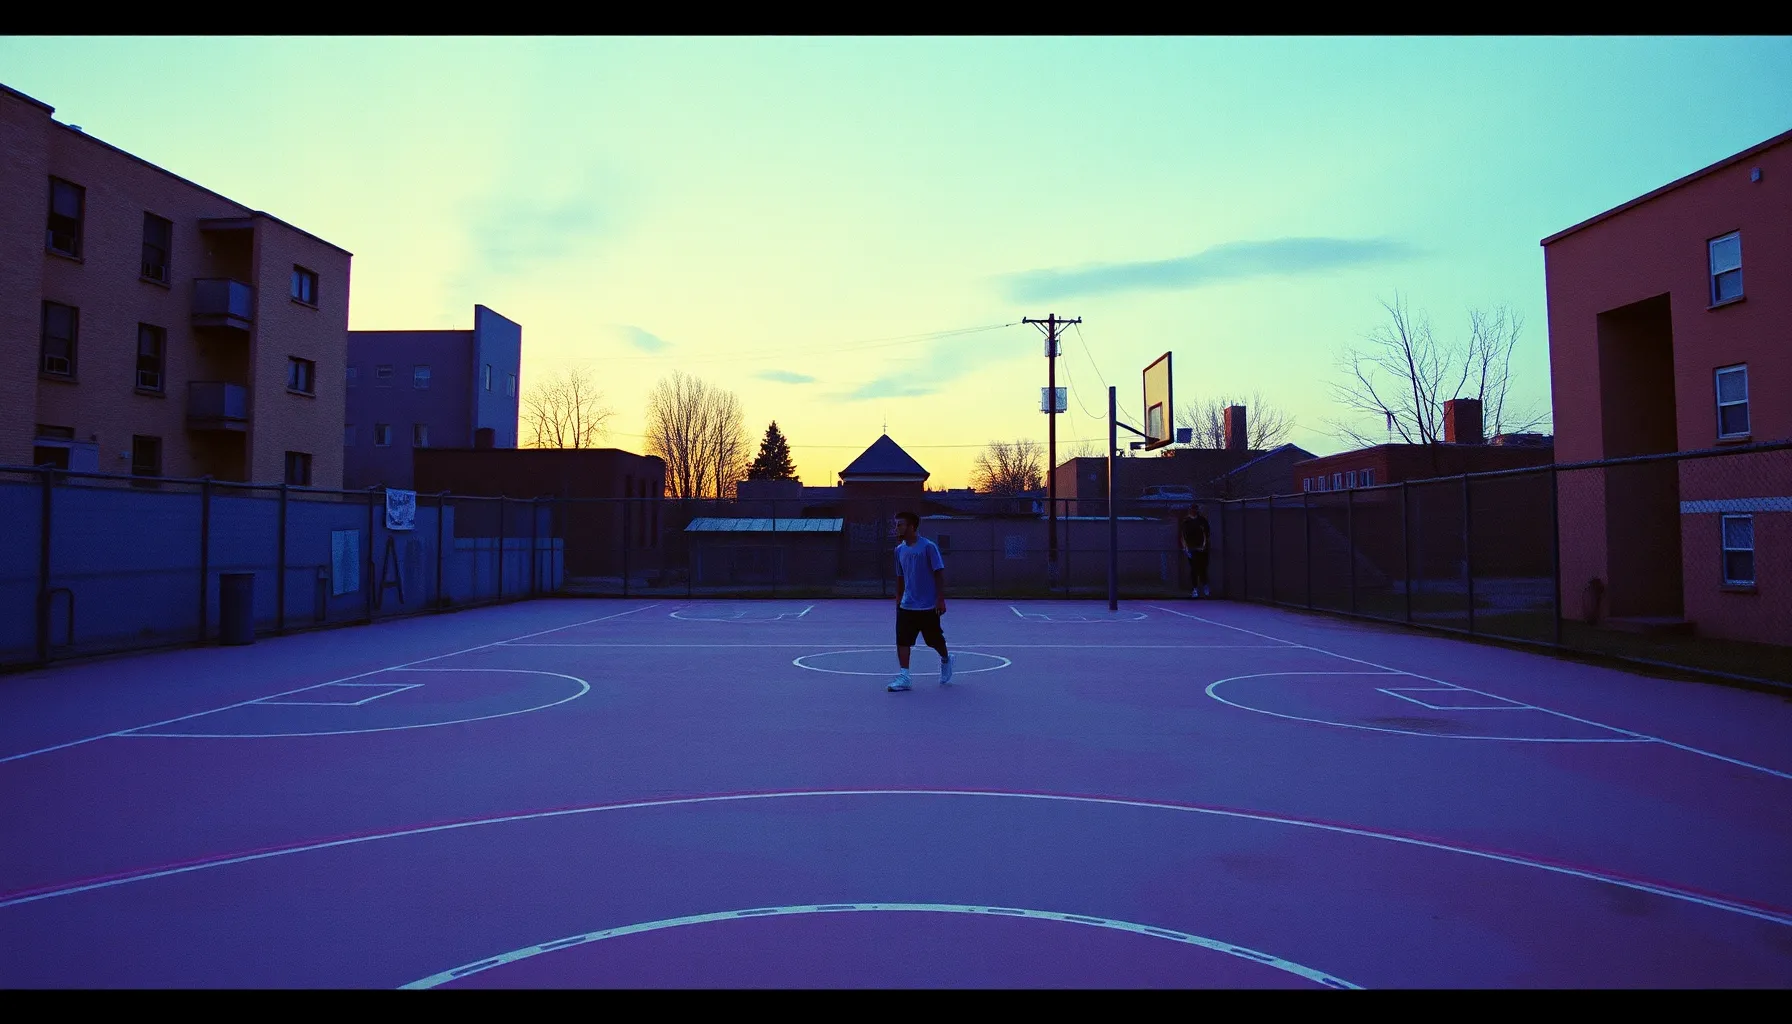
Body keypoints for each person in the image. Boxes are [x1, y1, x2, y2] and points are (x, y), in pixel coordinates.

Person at [888, 510, 953, 692]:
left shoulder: (928, 547)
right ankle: (904, 676)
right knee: (902, 640)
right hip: (907, 605)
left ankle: (946, 659)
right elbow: (900, 576)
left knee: (934, 640)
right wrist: (898, 598)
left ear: (911, 527)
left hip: (928, 605)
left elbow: (938, 573)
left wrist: (940, 599)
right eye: (896, 524)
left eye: (900, 524)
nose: (896, 528)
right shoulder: (899, 550)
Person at [1180, 502, 1211, 598]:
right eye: (1192, 509)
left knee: (1203, 568)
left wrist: (1204, 546)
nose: (1194, 511)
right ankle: (1195, 589)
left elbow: (1207, 534)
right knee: (1194, 569)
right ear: (1189, 510)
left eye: (1195, 509)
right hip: (1191, 549)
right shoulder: (1186, 521)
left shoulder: (1202, 520)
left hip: (1202, 549)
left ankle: (1205, 586)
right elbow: (1183, 536)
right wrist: (1186, 548)